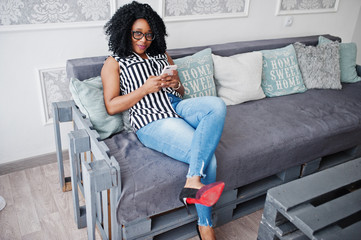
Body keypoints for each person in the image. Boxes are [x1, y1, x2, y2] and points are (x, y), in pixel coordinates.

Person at [101, 1, 226, 239]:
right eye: (137, 33)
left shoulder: (161, 54)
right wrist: (144, 89)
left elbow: (180, 92)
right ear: (125, 31)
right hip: (151, 119)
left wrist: (174, 84)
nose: (143, 39)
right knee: (208, 159)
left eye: (148, 34)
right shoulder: (114, 62)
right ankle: (205, 224)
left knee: (216, 105)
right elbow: (111, 106)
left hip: (176, 106)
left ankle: (192, 180)